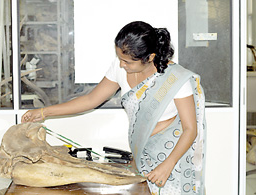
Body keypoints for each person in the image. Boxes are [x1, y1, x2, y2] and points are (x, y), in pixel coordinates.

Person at [21, 21, 206, 195]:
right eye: (120, 58)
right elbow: (90, 100)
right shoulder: (120, 69)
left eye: (128, 62)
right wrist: (44, 112)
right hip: (141, 152)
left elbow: (190, 129)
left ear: (150, 57)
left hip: (171, 156)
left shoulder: (176, 80)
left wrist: (168, 165)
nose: (121, 65)